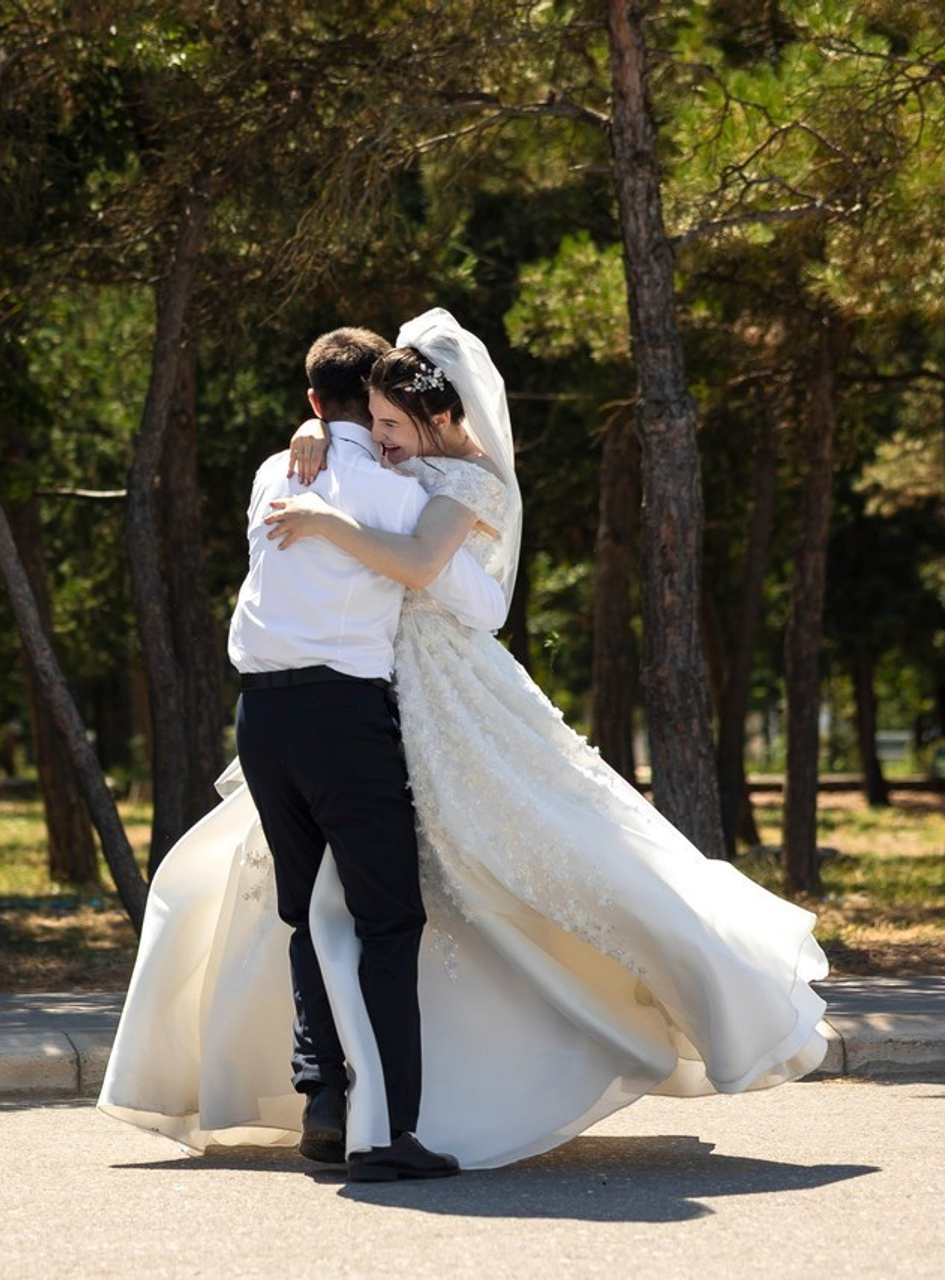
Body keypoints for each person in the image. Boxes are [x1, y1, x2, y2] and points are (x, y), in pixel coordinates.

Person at [99, 309, 829, 1172]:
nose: (378, 439)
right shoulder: (371, 471)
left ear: (438, 418)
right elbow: (364, 493)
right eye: (367, 422)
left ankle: (390, 1105)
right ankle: (345, 1100)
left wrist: (330, 493)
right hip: (361, 697)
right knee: (334, 907)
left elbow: (472, 602)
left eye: (390, 425)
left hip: (430, 690)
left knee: (485, 876)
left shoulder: (459, 486)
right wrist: (322, 435)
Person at [98, 325, 506, 1183]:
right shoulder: (399, 491)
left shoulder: (273, 472)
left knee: (305, 912)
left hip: (262, 722)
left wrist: (317, 446)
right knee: (386, 920)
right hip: (344, 719)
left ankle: (322, 1099)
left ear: (313, 404)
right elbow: (471, 599)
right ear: (381, 403)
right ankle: (387, 1134)